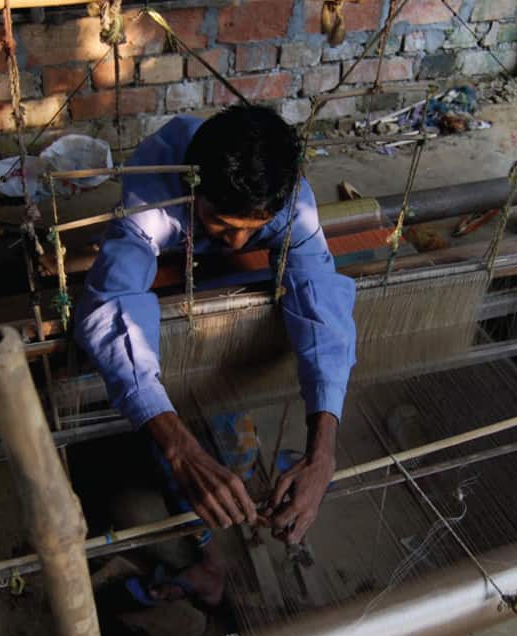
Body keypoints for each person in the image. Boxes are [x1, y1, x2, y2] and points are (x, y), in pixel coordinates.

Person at [74, 105, 357, 605]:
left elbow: (321, 305)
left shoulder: (290, 200)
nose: (238, 242)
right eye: (223, 225)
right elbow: (112, 303)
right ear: (194, 190)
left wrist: (323, 452)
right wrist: (180, 450)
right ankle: (202, 548)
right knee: (162, 422)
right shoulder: (156, 192)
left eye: (253, 229)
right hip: (169, 242)